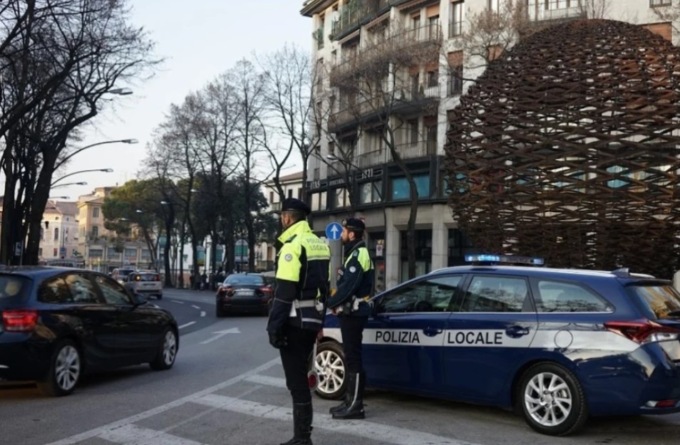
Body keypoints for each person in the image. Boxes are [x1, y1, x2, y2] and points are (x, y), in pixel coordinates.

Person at [267, 197, 331, 445]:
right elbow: (325, 290)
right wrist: (321, 320)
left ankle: (302, 438)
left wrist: (274, 328)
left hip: (294, 323)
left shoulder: (292, 247)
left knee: (296, 383)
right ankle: (303, 435)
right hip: (311, 321)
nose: (282, 220)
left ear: (288, 217)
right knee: (302, 380)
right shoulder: (319, 243)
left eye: (283, 216)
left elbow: (284, 293)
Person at [325, 217, 374, 420]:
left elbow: (348, 287)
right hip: (351, 312)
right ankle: (350, 400)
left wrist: (330, 302)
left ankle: (356, 405)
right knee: (351, 355)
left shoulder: (358, 254)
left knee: (353, 358)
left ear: (352, 233)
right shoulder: (355, 252)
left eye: (344, 231)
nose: (342, 234)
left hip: (354, 313)